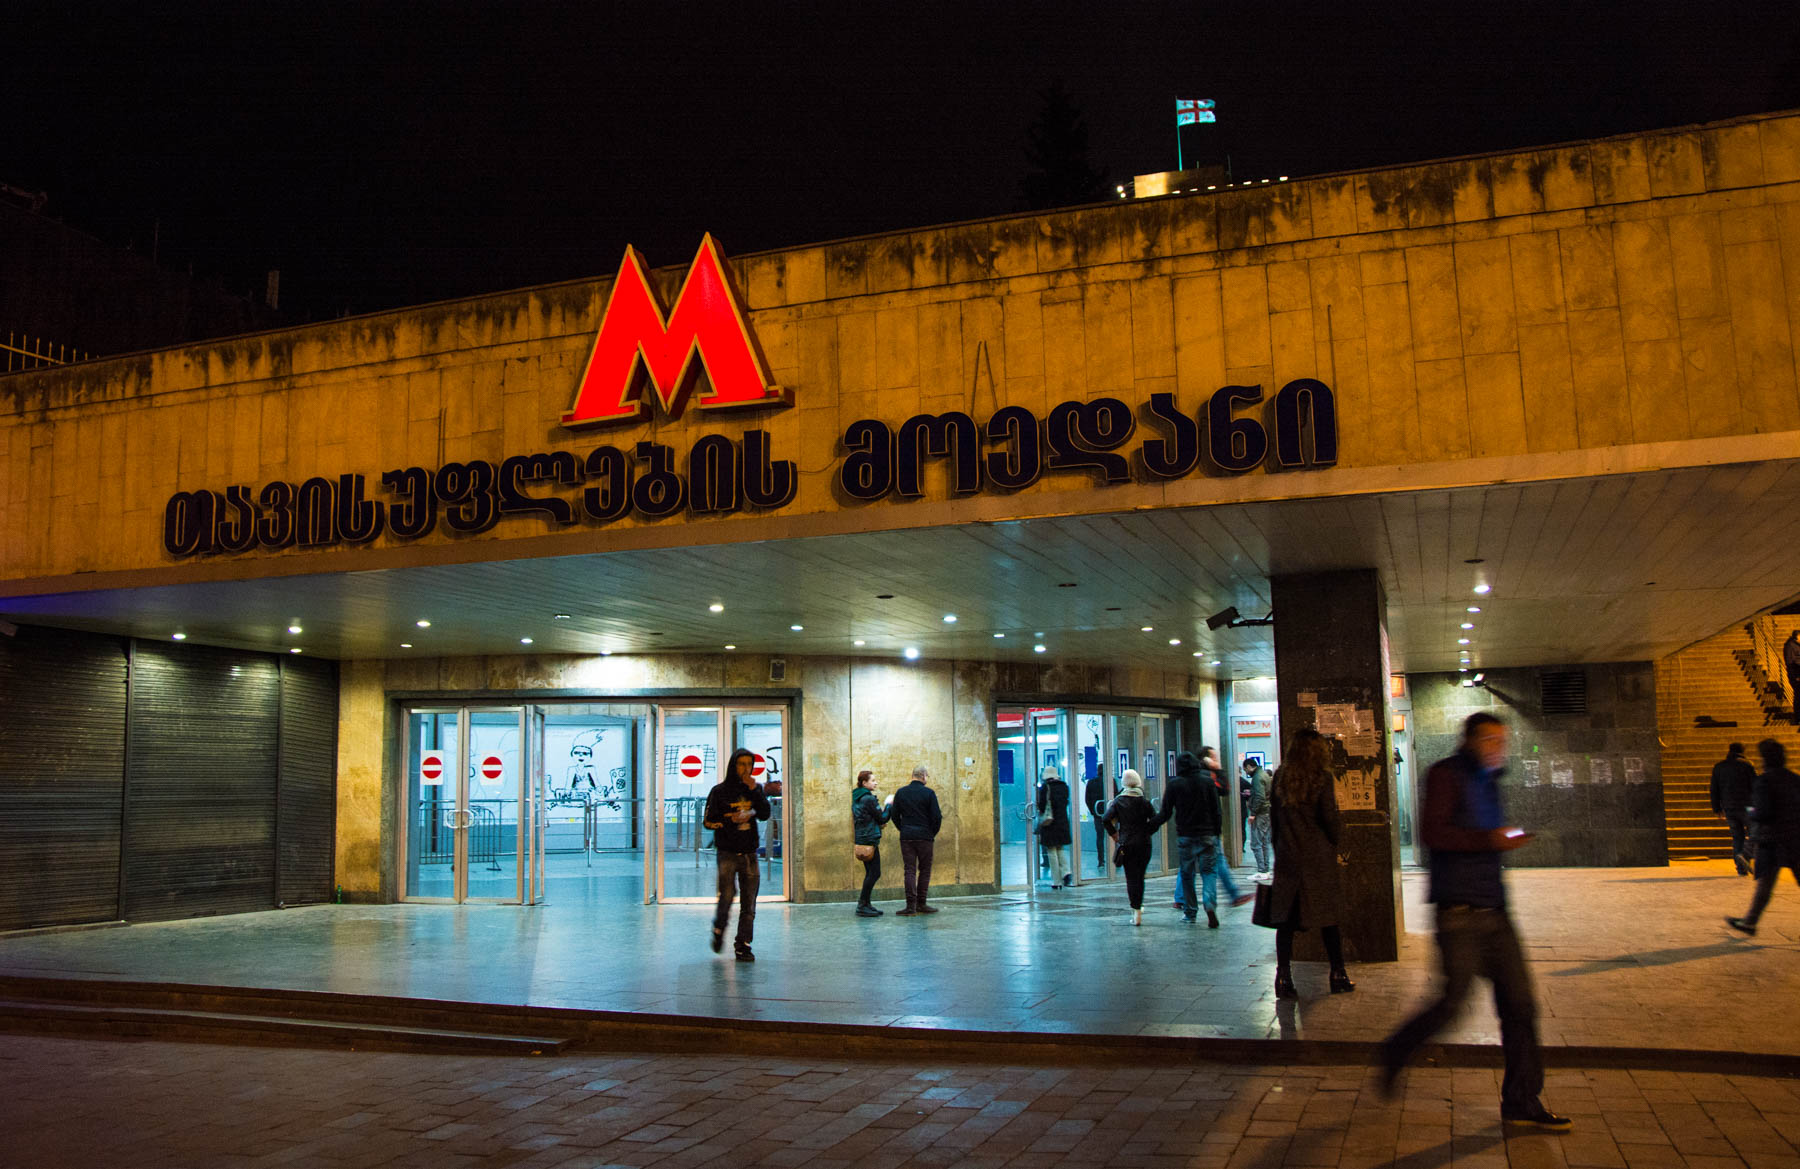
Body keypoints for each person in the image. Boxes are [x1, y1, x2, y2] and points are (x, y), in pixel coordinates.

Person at [1379, 712, 1570, 1132]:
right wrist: (1490, 840)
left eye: (1503, 741)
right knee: (1452, 1002)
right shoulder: (1445, 775)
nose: (1498, 749)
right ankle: (1396, 1049)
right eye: (1490, 740)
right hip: (1458, 912)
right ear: (1469, 740)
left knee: (1520, 1006)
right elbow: (1434, 833)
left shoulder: (1490, 780)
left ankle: (1521, 1100)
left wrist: (1503, 838)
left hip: (1495, 913)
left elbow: (1485, 835)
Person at [1266, 729, 1353, 998]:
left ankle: (1283, 978)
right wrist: (1336, 840)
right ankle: (1338, 974)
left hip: (1289, 857)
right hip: (1317, 859)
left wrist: (1280, 849)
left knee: (1286, 923)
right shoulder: (1321, 778)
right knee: (1329, 919)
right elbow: (1329, 819)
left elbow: (1275, 820)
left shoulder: (1281, 776)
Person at [1159, 750, 1252, 926]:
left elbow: (1165, 812)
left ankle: (1190, 912)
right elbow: (1216, 810)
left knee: (1187, 874)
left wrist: (1150, 826)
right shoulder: (1208, 782)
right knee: (1209, 872)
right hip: (1207, 835)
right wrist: (1216, 832)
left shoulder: (1175, 784)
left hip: (1185, 835)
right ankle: (1209, 904)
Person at [702, 747, 772, 962]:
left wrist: (755, 791)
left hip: (750, 853)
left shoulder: (754, 789)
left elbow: (765, 814)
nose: (746, 769)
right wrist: (728, 820)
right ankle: (719, 928)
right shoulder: (719, 791)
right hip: (728, 853)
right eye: (742, 764)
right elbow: (707, 822)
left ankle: (743, 944)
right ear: (733, 766)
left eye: (749, 764)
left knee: (749, 903)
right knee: (727, 896)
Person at [1727, 738, 1800, 936]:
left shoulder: (1765, 781)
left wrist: (1751, 810)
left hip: (1772, 841)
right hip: (1795, 839)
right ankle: (1749, 921)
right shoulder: (1794, 778)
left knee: (1765, 885)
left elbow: (1762, 812)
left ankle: (1750, 922)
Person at [1102, 768, 1157, 925]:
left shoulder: (1118, 802)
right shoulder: (1144, 801)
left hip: (1127, 844)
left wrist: (1115, 835)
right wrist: (1147, 832)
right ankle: (1138, 906)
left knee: (1131, 878)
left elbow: (1105, 819)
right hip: (1144, 844)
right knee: (1140, 877)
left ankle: (1136, 911)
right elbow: (1155, 821)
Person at [889, 764, 943, 916]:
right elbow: (937, 817)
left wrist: (903, 828)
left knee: (909, 870)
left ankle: (910, 906)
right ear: (924, 775)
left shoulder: (901, 792)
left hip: (907, 837)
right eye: (927, 776)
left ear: (913, 775)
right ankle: (921, 903)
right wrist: (931, 833)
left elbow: (894, 815)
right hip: (925, 837)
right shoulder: (929, 793)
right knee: (924, 870)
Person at [1711, 742, 1756, 877]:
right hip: (1749, 806)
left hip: (1729, 807)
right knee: (1756, 832)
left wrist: (1717, 808)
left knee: (1737, 837)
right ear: (1742, 751)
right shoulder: (1747, 765)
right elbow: (1755, 786)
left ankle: (1740, 868)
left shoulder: (1719, 767)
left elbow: (1714, 789)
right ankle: (1746, 856)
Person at [851, 769, 888, 918]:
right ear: (864, 783)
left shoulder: (856, 797)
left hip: (861, 838)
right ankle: (862, 904)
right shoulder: (868, 798)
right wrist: (889, 806)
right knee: (875, 873)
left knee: (870, 873)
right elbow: (882, 818)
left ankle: (866, 904)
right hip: (870, 840)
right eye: (873, 780)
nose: (876, 782)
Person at [1036, 764, 1073, 888]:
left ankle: (1056, 881)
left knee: (1051, 851)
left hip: (1049, 822)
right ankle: (1066, 872)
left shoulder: (1046, 788)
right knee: (1060, 848)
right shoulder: (1064, 787)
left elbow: (1042, 806)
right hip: (1062, 821)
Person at [1244, 757, 1273, 877]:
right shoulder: (1264, 775)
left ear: (1250, 766)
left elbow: (1260, 797)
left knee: (1256, 843)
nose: (1246, 772)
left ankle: (1261, 870)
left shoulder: (1257, 777)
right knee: (1265, 841)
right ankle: (1265, 869)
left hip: (1260, 813)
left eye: (1246, 769)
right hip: (1266, 812)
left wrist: (1253, 814)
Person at [1786, 631, 1800, 721]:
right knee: (1798, 696)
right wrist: (1796, 676)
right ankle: (1798, 717)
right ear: (1797, 637)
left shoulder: (1797, 645)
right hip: (1797, 675)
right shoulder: (1791, 646)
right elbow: (1790, 662)